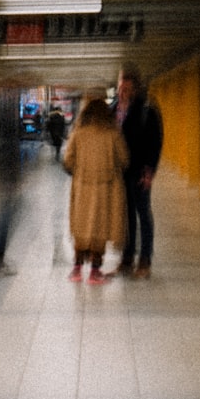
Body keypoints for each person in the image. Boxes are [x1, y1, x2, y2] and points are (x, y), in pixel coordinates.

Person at [63, 98, 129, 284]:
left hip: (82, 188)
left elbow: (68, 160)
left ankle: (76, 270)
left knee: (82, 228)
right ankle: (94, 272)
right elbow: (124, 159)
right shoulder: (113, 133)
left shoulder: (78, 132)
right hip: (106, 190)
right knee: (99, 229)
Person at [111, 63, 163, 279]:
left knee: (143, 213)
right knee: (127, 216)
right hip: (120, 172)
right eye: (121, 85)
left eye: (127, 87)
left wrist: (150, 170)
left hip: (140, 171)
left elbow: (156, 141)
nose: (123, 90)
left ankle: (145, 260)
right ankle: (127, 258)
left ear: (135, 88)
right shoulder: (113, 109)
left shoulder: (147, 109)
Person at [0, 88, 22, 276]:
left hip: (6, 177)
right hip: (7, 179)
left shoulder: (3, 125)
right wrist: (12, 178)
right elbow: (8, 152)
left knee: (7, 218)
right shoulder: (8, 123)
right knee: (6, 219)